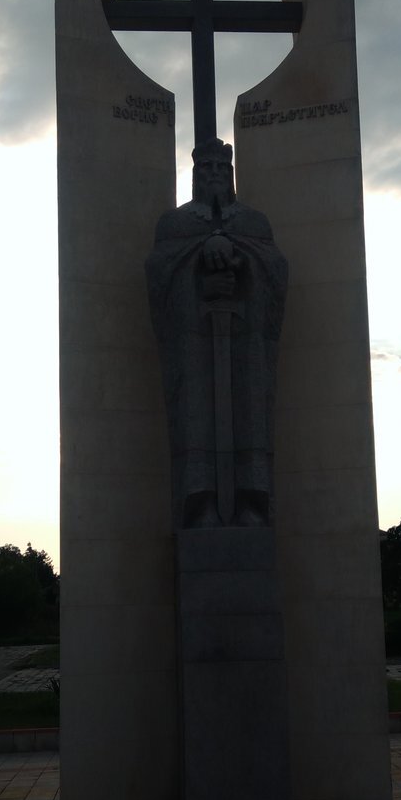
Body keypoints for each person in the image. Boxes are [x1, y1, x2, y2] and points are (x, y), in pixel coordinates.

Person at [145, 138, 287, 528]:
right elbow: (159, 274)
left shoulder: (253, 222)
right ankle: (199, 502)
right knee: (193, 411)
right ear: (194, 175)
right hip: (192, 340)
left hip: (245, 339)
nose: (214, 174)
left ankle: (252, 501)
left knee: (251, 408)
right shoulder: (175, 224)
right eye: (205, 168)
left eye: (221, 168)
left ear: (231, 173)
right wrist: (198, 271)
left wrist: (240, 261)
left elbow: (275, 272)